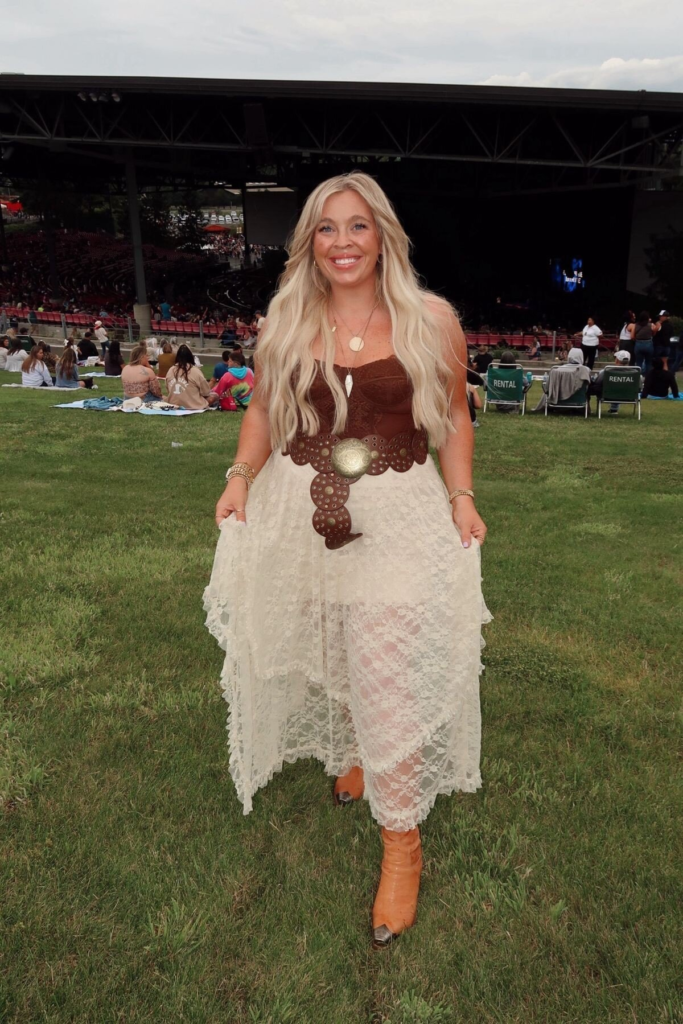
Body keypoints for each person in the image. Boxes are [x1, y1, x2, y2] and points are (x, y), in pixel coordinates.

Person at [204, 171, 490, 950]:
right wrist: (239, 477)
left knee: (384, 657)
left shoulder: (431, 320)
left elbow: (455, 416)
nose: (341, 243)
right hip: (300, 502)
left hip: (398, 506)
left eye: (357, 226)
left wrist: (460, 495)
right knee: (329, 634)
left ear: (384, 236)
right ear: (309, 242)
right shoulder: (287, 318)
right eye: (326, 229)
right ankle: (358, 749)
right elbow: (264, 407)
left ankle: (401, 843)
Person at [534, 347, 591, 413]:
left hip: (558, 399)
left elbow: (548, 387)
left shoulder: (557, 370)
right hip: (579, 399)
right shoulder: (585, 371)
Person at [165, 345, 219, 410]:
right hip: (193, 405)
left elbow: (168, 390)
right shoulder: (195, 371)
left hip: (173, 404)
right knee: (215, 396)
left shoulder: (171, 370)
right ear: (190, 356)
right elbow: (206, 392)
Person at [588, 349, 638, 414]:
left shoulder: (606, 371)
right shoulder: (635, 373)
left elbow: (597, 382)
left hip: (607, 395)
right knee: (620, 387)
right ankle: (614, 409)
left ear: (617, 360)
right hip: (629, 396)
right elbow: (639, 385)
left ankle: (586, 408)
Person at [633, 311, 655, 376]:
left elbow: (633, 335)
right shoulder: (651, 325)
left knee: (639, 362)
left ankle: (638, 377)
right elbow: (653, 333)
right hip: (648, 344)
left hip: (638, 344)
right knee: (648, 362)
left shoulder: (636, 325)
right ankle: (648, 377)